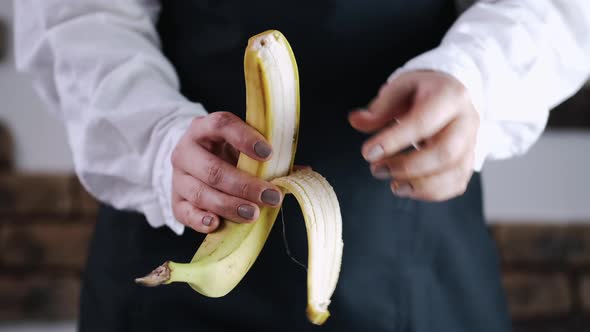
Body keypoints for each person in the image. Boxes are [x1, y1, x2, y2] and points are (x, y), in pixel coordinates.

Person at [14, 1, 590, 331]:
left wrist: (480, 77)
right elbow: (77, 12)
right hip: (174, 221)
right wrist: (153, 135)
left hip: (413, 256)